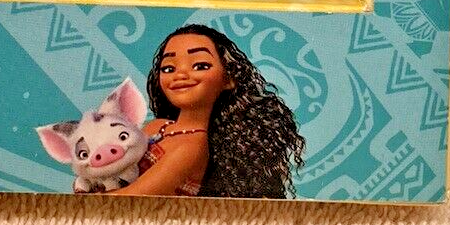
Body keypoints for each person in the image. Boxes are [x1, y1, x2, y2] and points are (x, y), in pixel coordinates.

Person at [105, 24, 304, 198]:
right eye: (168, 69)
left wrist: (93, 197)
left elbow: (134, 197)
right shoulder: (157, 126)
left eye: (200, 65)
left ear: (228, 79)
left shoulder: (192, 147)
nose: (180, 74)